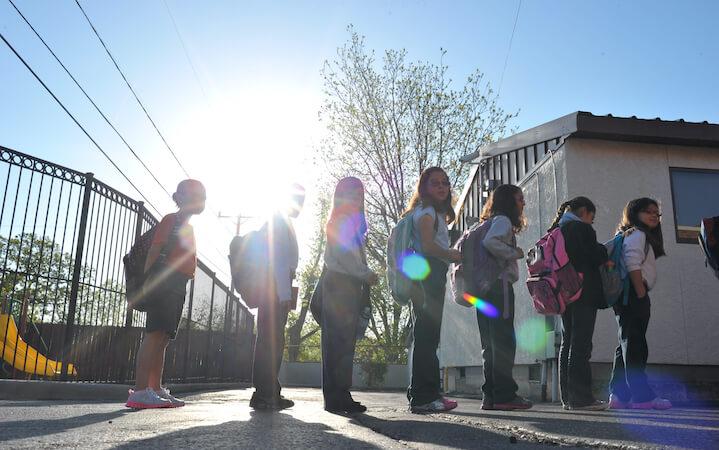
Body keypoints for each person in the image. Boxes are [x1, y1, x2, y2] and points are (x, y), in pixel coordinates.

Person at [126, 179, 206, 409]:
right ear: (181, 198)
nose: (199, 200)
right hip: (164, 280)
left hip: (178, 282)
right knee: (154, 333)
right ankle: (140, 390)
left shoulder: (188, 227)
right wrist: (147, 281)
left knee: (163, 337)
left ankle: (155, 388)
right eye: (194, 195)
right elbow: (155, 249)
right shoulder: (171, 220)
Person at [405, 167, 462, 413]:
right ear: (424, 187)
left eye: (445, 183)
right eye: (435, 183)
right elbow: (428, 247)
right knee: (427, 337)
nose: (441, 187)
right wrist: (452, 254)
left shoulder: (429, 212)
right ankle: (422, 396)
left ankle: (425, 393)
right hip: (428, 273)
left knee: (427, 336)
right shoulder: (427, 212)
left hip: (427, 274)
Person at [321, 177, 378, 413]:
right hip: (341, 285)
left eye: (359, 194)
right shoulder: (342, 221)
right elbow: (347, 258)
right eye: (351, 193)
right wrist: (367, 274)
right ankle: (337, 396)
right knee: (339, 343)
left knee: (342, 343)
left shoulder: (347, 223)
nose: (356, 198)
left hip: (344, 285)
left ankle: (339, 394)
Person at [608, 198, 672, 410]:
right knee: (635, 345)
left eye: (657, 213)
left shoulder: (628, 234)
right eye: (648, 212)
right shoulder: (638, 234)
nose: (654, 216)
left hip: (625, 295)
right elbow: (632, 261)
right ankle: (642, 396)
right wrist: (640, 290)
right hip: (633, 294)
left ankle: (619, 395)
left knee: (625, 344)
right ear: (635, 214)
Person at [550, 197, 609, 411]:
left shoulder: (557, 229)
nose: (591, 223)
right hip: (583, 292)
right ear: (584, 211)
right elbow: (591, 256)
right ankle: (582, 399)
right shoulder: (580, 229)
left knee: (568, 342)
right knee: (581, 344)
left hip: (563, 293)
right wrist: (603, 251)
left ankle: (568, 398)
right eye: (591, 218)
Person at [250, 184, 305, 410]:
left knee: (270, 339)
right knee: (272, 341)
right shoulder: (280, 222)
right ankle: (265, 393)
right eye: (298, 199)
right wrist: (283, 293)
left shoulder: (280, 221)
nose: (300, 204)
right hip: (274, 287)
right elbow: (279, 259)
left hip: (272, 285)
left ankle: (268, 391)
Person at [477, 184, 532, 411]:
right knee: (504, 342)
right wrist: (515, 253)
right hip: (499, 287)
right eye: (520, 199)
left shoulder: (487, 222)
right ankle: (505, 396)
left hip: (483, 288)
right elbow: (491, 243)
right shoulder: (503, 221)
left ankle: (490, 396)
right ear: (509, 201)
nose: (523, 203)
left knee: (489, 344)